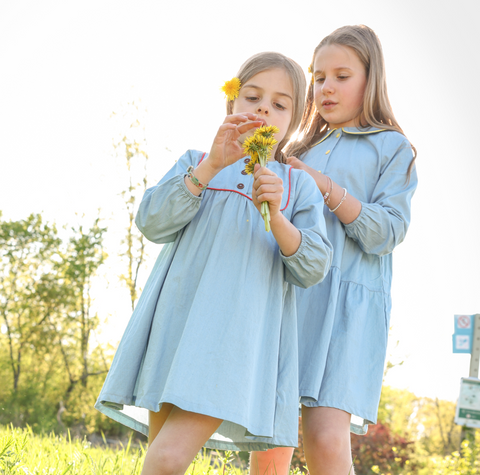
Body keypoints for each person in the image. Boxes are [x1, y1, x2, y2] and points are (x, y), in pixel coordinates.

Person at [95, 51, 333, 475]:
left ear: (294, 119)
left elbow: (313, 266)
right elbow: (152, 221)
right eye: (252, 96)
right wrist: (209, 166)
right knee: (161, 456)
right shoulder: (196, 161)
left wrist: (276, 215)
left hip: (234, 343)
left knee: (166, 459)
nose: (263, 108)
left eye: (279, 104)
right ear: (231, 104)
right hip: (176, 328)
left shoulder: (298, 186)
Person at [250, 25, 418, 475]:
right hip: (290, 300)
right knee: (269, 436)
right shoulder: (295, 149)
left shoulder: (392, 148)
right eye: (318, 77)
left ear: (371, 79)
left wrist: (323, 186)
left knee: (325, 437)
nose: (325, 87)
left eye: (341, 75)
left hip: (348, 309)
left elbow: (387, 231)